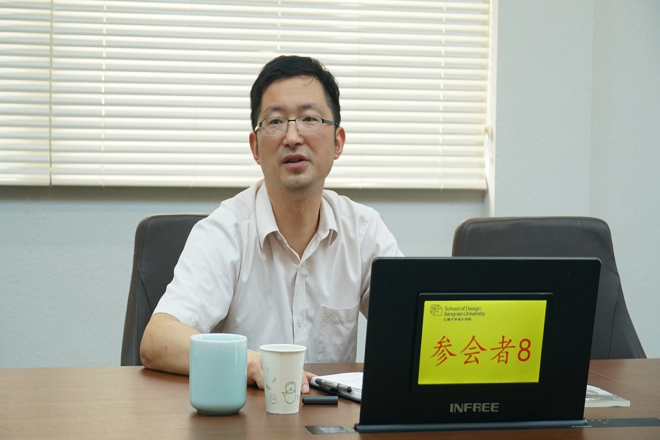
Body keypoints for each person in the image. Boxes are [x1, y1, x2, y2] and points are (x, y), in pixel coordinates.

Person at [140, 55, 402, 393]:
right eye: (275, 122)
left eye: (309, 119)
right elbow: (157, 339)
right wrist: (250, 364)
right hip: (246, 415)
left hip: (331, 418)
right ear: (255, 148)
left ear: (337, 142)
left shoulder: (364, 231)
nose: (292, 137)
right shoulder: (225, 232)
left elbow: (413, 330)